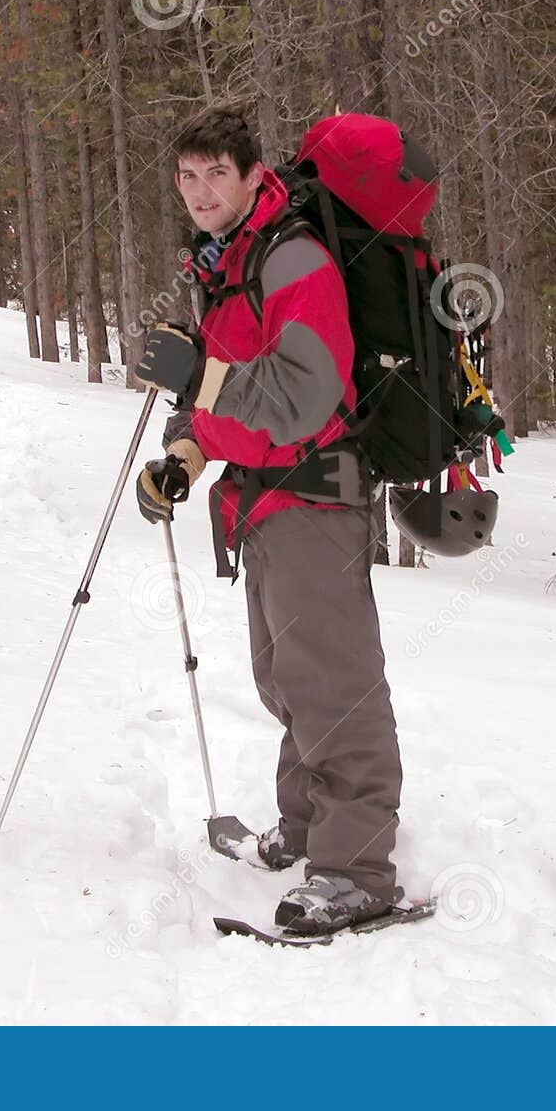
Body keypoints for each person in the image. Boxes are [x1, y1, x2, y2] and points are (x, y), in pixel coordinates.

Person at [130, 106, 404, 936]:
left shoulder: (293, 259)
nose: (200, 190)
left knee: (336, 689)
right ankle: (309, 824)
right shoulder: (229, 266)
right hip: (264, 502)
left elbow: (301, 397)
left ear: (254, 176)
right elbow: (223, 398)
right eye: (187, 175)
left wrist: (200, 376)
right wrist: (182, 456)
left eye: (218, 172)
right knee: (287, 682)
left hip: (314, 496)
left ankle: (358, 870)